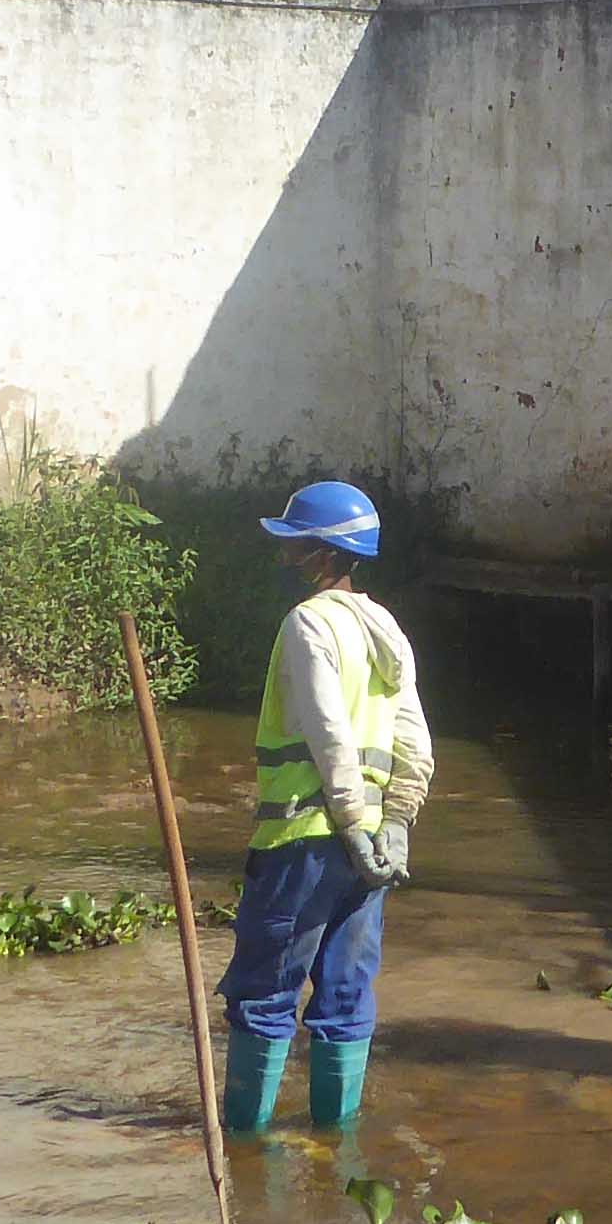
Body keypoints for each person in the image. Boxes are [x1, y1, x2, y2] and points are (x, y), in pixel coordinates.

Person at [224, 480, 433, 1137]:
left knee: (264, 997)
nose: (287, 557)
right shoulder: (387, 628)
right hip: (368, 852)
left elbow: (328, 733)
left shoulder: (306, 624)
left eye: (295, 545)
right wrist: (394, 823)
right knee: (344, 999)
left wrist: (349, 820)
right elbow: (415, 741)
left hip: (304, 843)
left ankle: (245, 1151)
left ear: (317, 554)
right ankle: (334, 1150)